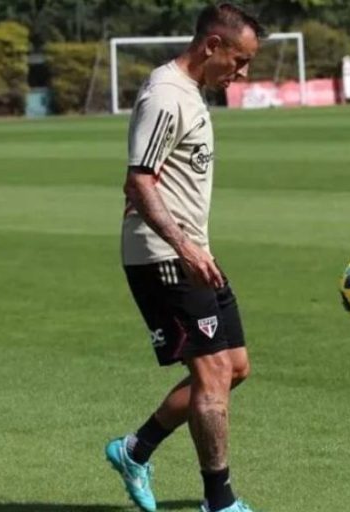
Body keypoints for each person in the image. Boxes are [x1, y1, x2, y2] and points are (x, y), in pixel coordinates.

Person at [104, 3, 265, 512]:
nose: (243, 73)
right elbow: (139, 179)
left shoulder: (191, 95)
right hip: (165, 257)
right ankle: (220, 503)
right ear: (211, 46)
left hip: (193, 251)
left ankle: (135, 450)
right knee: (212, 374)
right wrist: (182, 246)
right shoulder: (165, 95)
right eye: (239, 61)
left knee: (234, 368)